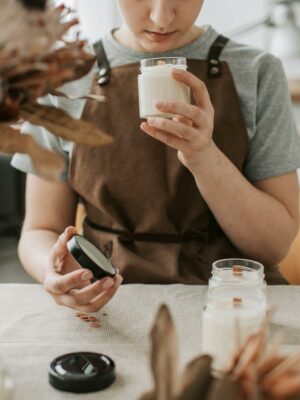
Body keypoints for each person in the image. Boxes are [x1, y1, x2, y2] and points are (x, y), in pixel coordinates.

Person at [12, 0, 300, 312]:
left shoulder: (258, 71)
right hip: (111, 300)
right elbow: (40, 229)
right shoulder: (61, 80)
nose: (161, 18)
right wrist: (51, 272)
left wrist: (203, 156)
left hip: (230, 300)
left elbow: (272, 247)